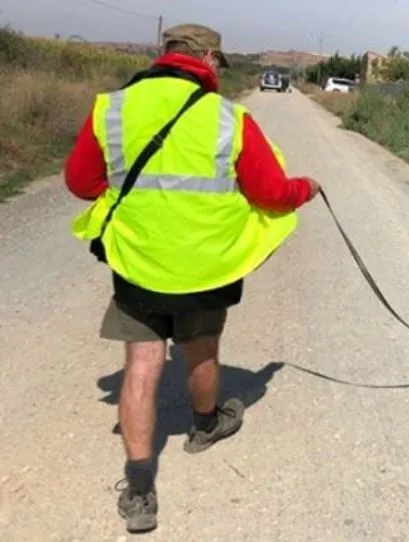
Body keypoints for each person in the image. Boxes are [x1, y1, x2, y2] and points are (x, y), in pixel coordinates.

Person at [63, 23, 320, 534]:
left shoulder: (111, 108)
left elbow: (80, 183)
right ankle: (204, 426)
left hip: (137, 262)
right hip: (206, 265)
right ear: (208, 58)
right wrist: (306, 188)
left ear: (165, 54)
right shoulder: (229, 118)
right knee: (201, 350)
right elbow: (271, 193)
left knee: (141, 365)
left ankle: (140, 491)